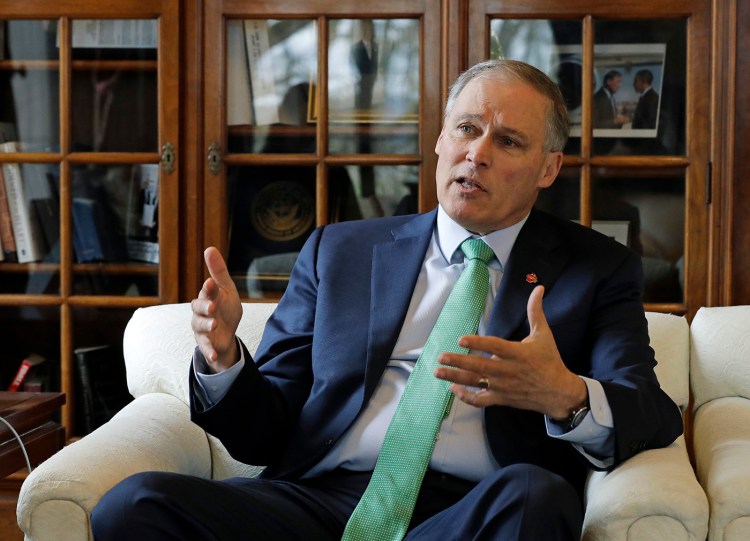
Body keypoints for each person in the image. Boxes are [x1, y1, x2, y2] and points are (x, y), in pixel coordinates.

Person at [91, 59, 682, 541]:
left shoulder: (597, 268)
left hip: (470, 513)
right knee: (132, 505)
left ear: (549, 168)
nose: (477, 154)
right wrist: (223, 360)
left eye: (508, 141)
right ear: (439, 141)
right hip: (317, 502)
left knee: (536, 498)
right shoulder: (339, 251)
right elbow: (263, 434)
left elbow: (650, 413)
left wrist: (567, 396)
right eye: (467, 129)